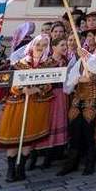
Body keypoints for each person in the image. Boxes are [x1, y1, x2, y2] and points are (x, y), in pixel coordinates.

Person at [60, 23, 96, 176]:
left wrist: (85, 55)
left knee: (90, 130)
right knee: (74, 128)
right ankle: (71, 163)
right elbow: (75, 71)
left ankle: (90, 163)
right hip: (79, 95)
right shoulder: (89, 51)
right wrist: (70, 85)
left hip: (95, 96)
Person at [0, 35, 53, 182]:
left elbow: (50, 83)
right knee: (14, 137)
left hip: (37, 105)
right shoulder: (19, 63)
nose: (41, 47)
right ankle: (10, 169)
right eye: (39, 44)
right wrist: (21, 89)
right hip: (18, 105)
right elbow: (11, 84)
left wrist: (37, 90)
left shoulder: (49, 64)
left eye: (45, 45)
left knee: (29, 137)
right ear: (33, 45)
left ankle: (21, 168)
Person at [34, 36, 71, 170]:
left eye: (65, 45)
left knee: (59, 123)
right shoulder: (47, 62)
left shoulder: (66, 61)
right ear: (54, 47)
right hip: (51, 96)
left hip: (63, 95)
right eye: (61, 45)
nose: (64, 47)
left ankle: (52, 156)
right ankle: (40, 157)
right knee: (49, 123)